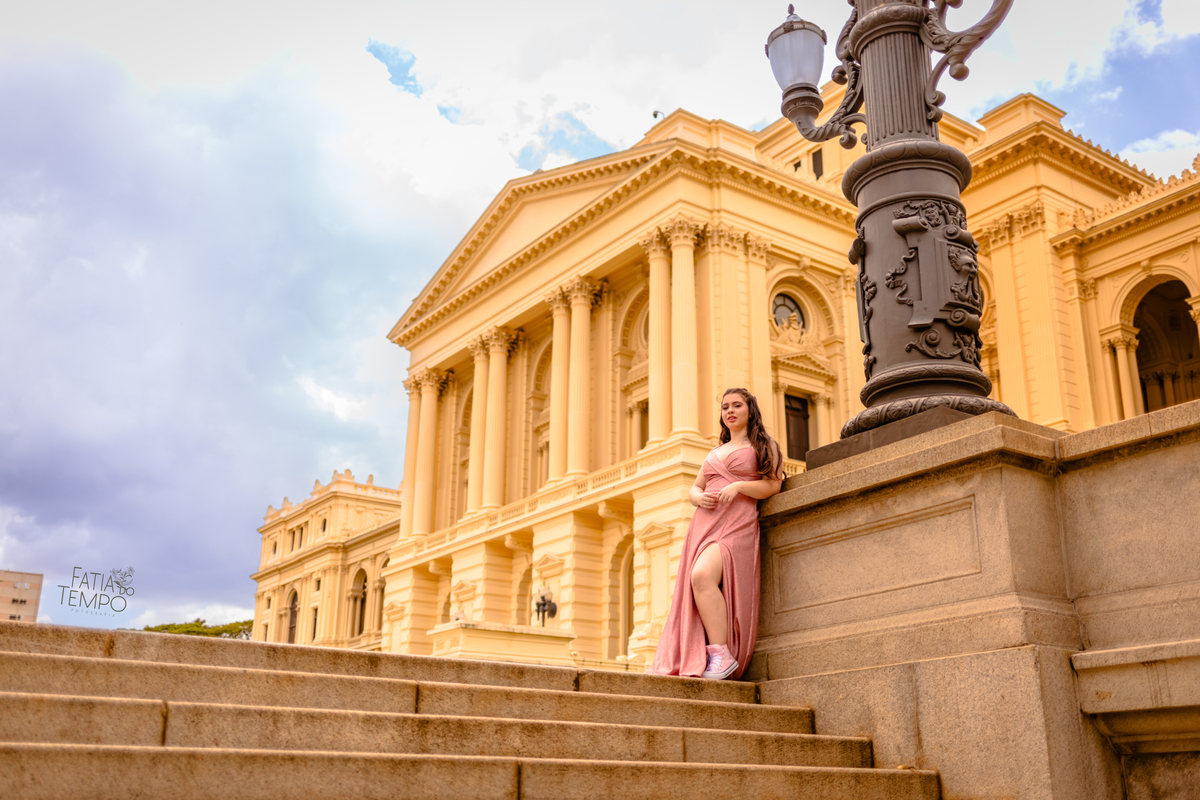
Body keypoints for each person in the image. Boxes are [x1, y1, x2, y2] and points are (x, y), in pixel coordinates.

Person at [648, 388, 784, 680]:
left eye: (737, 405)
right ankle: (715, 656)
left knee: (701, 576)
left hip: (737, 523)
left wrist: (738, 487)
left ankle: (719, 655)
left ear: (750, 411)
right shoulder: (714, 452)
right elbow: (695, 487)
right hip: (705, 522)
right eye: (725, 407)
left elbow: (773, 486)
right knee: (698, 579)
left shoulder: (764, 445)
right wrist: (697, 498)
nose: (730, 411)